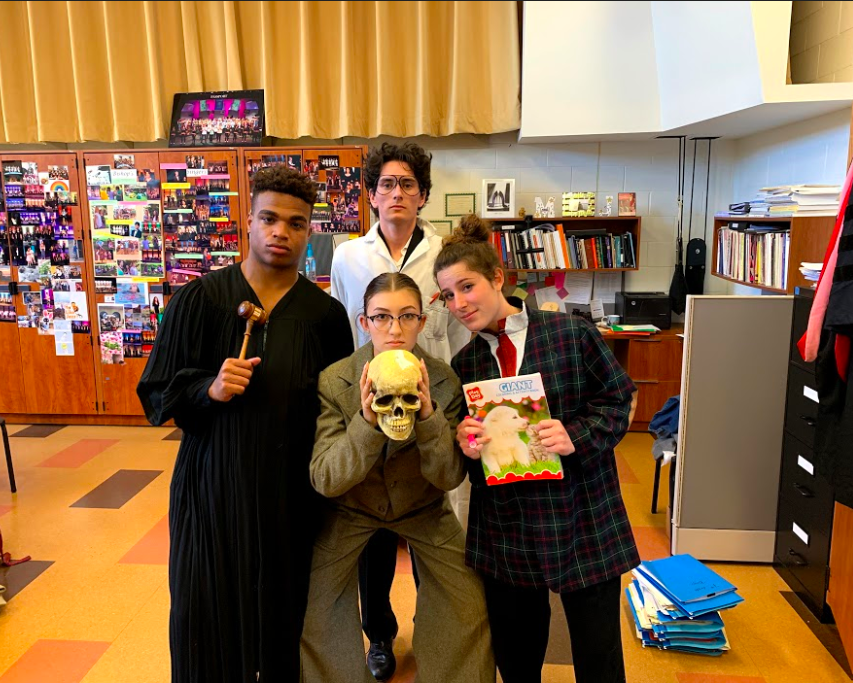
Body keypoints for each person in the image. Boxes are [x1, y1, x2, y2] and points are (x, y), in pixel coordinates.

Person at [137, 165, 353, 683]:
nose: (282, 232)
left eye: (296, 223)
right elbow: (154, 393)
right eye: (270, 219)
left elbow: (337, 409)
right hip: (213, 488)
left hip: (290, 496)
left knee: (283, 619)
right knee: (205, 614)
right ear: (248, 223)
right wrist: (207, 389)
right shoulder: (200, 300)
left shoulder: (323, 315)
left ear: (309, 232)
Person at [434, 214, 640, 683]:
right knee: (516, 655)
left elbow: (619, 399)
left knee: (598, 655)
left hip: (583, 513)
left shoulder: (568, 334)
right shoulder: (465, 363)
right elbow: (460, 441)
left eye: (467, 287)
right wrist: (463, 441)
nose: (459, 303)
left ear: (497, 278)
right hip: (508, 524)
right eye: (448, 295)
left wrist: (578, 435)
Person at [301, 272, 493, 683]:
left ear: (423, 322)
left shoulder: (443, 379)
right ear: (364, 322)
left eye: (407, 316)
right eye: (382, 317)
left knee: (469, 602)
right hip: (352, 509)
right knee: (312, 603)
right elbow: (325, 478)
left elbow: (447, 478)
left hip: (423, 507)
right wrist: (365, 422)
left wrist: (428, 418)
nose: (394, 329)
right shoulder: (336, 380)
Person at [329, 142, 470, 680]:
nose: (396, 194)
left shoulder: (444, 255)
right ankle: (381, 636)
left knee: (435, 520)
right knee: (373, 528)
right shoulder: (347, 256)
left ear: (424, 195)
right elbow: (349, 329)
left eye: (407, 184)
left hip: (431, 402)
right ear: (370, 195)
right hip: (373, 399)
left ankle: (437, 633)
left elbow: (456, 332)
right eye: (386, 184)